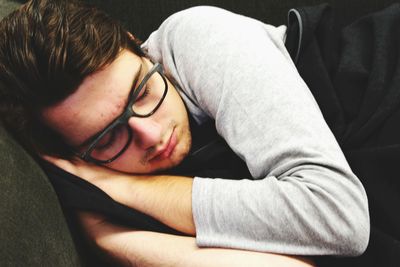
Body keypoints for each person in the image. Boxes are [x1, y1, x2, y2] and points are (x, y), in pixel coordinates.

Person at [0, 0, 370, 266]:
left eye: (141, 91)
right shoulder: (88, 182)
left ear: (140, 48)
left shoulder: (194, 38)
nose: (149, 134)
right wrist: (109, 238)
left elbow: (338, 215)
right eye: (107, 137)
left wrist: (129, 188)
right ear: (72, 154)